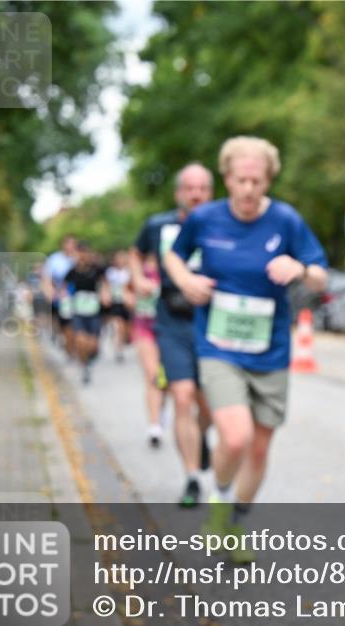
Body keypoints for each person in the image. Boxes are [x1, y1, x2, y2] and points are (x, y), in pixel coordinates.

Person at [166, 136, 328, 558]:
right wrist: (185, 281)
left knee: (259, 446)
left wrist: (300, 269)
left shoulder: (286, 221)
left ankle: (234, 522)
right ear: (227, 178)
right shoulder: (204, 219)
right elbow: (173, 256)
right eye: (241, 180)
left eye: (258, 181)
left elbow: (321, 276)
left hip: (270, 349)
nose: (249, 189)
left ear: (268, 179)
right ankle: (218, 500)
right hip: (218, 345)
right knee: (235, 438)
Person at [131, 163, 215, 507]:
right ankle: (192, 477)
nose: (195, 194)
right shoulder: (158, 225)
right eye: (189, 188)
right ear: (179, 192)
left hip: (213, 321)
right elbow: (136, 254)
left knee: (208, 403)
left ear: (210, 193)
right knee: (182, 395)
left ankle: (201, 434)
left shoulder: (223, 224)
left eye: (202, 188)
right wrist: (137, 278)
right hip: (171, 320)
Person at [63, 243, 109, 385]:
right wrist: (64, 301)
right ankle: (84, 366)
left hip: (94, 311)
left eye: (85, 253)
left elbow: (105, 283)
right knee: (81, 340)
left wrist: (105, 294)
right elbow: (64, 288)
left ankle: (89, 359)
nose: (82, 256)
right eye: (79, 253)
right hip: (78, 311)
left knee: (93, 344)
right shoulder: (72, 272)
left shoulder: (96, 270)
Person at [132, 254, 165, 448]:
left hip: (169, 329)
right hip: (145, 327)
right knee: (152, 375)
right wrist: (135, 296)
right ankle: (154, 425)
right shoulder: (139, 268)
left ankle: (161, 412)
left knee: (166, 380)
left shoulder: (173, 263)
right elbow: (126, 291)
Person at [41, 235, 77, 354]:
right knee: (63, 321)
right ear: (63, 245)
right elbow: (47, 278)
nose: (71, 246)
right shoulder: (54, 259)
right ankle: (62, 338)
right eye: (69, 243)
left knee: (72, 322)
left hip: (75, 296)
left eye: (73, 244)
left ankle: (71, 344)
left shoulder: (78, 258)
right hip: (59, 296)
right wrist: (50, 293)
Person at [104, 249, 132, 363]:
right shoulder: (110, 272)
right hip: (115, 302)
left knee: (125, 328)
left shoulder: (128, 271)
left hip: (126, 303)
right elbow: (106, 285)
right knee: (118, 325)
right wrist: (106, 295)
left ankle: (120, 343)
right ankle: (117, 348)